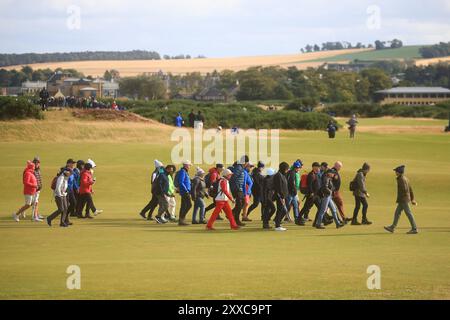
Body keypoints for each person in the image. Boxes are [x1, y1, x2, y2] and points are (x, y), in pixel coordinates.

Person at [384, 166, 418, 235]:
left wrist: (408, 199)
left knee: (408, 213)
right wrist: (412, 199)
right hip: (403, 200)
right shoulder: (405, 178)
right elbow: (410, 189)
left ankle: (414, 228)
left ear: (399, 172)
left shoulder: (401, 179)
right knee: (397, 213)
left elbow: (405, 190)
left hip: (403, 200)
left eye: (396, 171)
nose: (395, 172)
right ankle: (392, 227)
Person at [267, 162, 290, 232]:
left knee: (285, 208)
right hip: (280, 196)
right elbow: (279, 187)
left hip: (283, 195)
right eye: (286, 169)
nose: (287, 170)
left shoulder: (282, 174)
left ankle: (277, 221)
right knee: (280, 209)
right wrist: (282, 196)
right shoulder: (278, 175)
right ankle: (277, 225)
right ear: (283, 169)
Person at [230, 155, 249, 227]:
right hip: (237, 189)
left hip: (238, 188)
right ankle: (236, 220)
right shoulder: (239, 167)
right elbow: (233, 178)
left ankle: (231, 214)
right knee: (240, 204)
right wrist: (237, 188)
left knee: (242, 202)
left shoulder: (240, 167)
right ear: (245, 162)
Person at [177, 160, 192, 226]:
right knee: (189, 205)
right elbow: (181, 182)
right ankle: (181, 219)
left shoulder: (184, 172)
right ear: (185, 165)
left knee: (183, 206)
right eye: (189, 165)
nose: (189, 167)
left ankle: (181, 221)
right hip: (184, 191)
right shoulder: (183, 172)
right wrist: (186, 190)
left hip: (185, 191)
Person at [31, 157, 44, 222]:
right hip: (34, 189)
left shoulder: (38, 169)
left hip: (38, 188)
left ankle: (36, 214)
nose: (37, 163)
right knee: (35, 203)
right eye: (35, 162)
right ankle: (34, 216)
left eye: (38, 162)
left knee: (35, 202)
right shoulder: (32, 170)